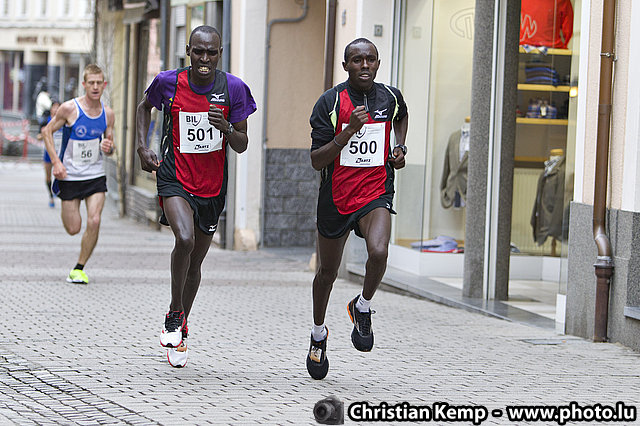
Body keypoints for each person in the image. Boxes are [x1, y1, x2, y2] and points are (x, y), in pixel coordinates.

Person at [136, 25, 256, 368]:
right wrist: (142, 147)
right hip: (174, 176)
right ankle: (174, 313)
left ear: (220, 54)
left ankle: (181, 327)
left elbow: (242, 144)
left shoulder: (233, 89)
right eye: (198, 51)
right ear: (188, 51)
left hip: (212, 188)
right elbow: (144, 107)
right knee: (184, 239)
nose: (204, 59)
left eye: (211, 53)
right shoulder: (168, 82)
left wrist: (227, 128)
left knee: (196, 263)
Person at [306, 38, 408, 380]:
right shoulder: (330, 102)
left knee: (379, 251)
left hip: (375, 192)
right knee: (327, 273)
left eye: (370, 59)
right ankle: (318, 334)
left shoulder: (390, 97)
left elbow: (402, 116)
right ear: (345, 65)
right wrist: (348, 130)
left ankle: (362, 306)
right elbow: (316, 160)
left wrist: (399, 147)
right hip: (336, 198)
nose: (365, 65)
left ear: (378, 63)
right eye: (357, 60)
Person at [41, 64, 116, 285]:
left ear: (104, 85)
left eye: (99, 82)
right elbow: (47, 131)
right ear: (84, 84)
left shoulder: (108, 114)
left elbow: (110, 146)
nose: (95, 86)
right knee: (73, 229)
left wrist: (109, 148)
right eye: (91, 83)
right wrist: (56, 162)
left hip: (95, 175)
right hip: (70, 176)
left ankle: (79, 268)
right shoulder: (69, 109)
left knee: (95, 219)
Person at [40, 99, 62, 207]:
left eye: (58, 107)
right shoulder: (46, 120)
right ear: (51, 108)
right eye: (54, 107)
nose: (56, 109)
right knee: (48, 177)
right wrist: (44, 134)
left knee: (60, 175)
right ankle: (50, 196)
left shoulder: (64, 120)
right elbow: (39, 136)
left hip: (60, 153)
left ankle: (57, 191)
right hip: (48, 153)